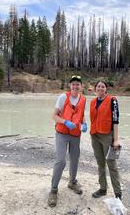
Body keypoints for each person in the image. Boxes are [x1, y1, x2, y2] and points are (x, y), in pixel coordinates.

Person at [48, 75, 87, 207]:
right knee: (61, 161)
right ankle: (53, 190)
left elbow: (81, 115)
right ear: (70, 86)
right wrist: (65, 121)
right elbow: (54, 115)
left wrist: (84, 124)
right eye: (73, 84)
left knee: (75, 158)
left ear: (81, 86)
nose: (75, 86)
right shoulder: (63, 97)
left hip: (76, 134)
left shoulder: (83, 99)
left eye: (78, 84)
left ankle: (72, 182)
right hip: (62, 133)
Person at [89, 80, 122, 200]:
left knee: (112, 165)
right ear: (95, 88)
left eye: (103, 87)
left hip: (107, 136)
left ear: (106, 89)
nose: (100, 88)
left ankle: (118, 194)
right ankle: (103, 188)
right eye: (98, 86)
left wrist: (116, 139)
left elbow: (116, 120)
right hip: (95, 135)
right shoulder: (92, 102)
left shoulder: (112, 100)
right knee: (100, 163)